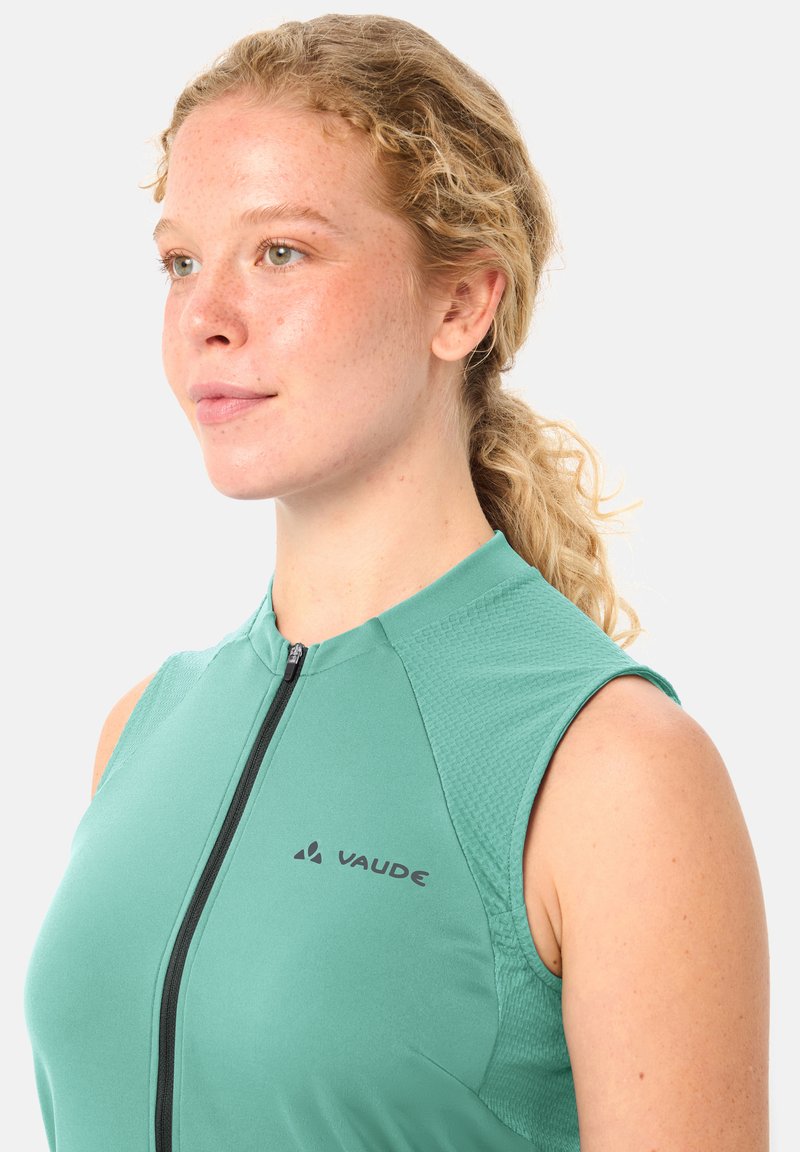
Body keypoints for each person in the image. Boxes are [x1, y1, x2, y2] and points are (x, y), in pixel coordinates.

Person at [23, 13, 769, 1152]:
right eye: (181, 262)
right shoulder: (142, 728)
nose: (206, 320)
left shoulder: (611, 771)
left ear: (461, 303)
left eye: (281, 252)